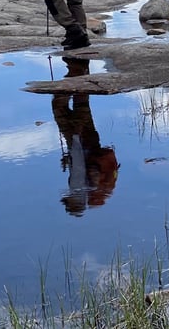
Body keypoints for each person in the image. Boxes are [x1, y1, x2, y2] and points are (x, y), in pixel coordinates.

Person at [52, 56, 119, 216]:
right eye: (69, 200)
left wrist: (69, 158)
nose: (67, 196)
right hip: (81, 140)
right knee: (59, 105)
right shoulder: (82, 188)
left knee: (80, 103)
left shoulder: (89, 190)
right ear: (75, 201)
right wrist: (76, 136)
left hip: (89, 142)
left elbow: (80, 165)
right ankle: (77, 70)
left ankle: (80, 68)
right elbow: (81, 164)